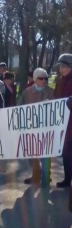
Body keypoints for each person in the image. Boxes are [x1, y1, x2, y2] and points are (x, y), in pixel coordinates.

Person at [18, 68, 55, 187]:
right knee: (32, 153)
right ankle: (36, 175)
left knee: (46, 153)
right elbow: (19, 108)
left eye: (46, 78)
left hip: (46, 127)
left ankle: (46, 177)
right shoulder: (26, 92)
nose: (44, 80)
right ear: (34, 79)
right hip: (31, 128)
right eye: (41, 78)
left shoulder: (52, 92)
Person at [54, 53, 72, 188]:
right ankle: (67, 179)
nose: (61, 68)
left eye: (63, 66)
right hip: (63, 123)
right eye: (60, 66)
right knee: (66, 152)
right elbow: (57, 99)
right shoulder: (59, 81)